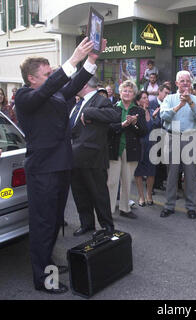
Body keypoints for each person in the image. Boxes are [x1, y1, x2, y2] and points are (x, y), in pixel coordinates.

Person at [15, 37, 103, 294]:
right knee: (42, 224)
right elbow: (53, 85)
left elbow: (72, 83)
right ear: (32, 78)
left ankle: (48, 263)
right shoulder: (24, 96)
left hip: (61, 165)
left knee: (54, 222)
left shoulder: (52, 95)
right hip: (42, 170)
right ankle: (43, 279)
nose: (52, 75)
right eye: (47, 73)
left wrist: (91, 60)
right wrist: (73, 58)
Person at [70, 77, 121, 237]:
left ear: (84, 84)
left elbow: (114, 115)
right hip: (74, 157)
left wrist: (90, 112)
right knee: (80, 193)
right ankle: (87, 224)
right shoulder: (77, 103)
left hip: (93, 157)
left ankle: (107, 227)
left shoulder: (100, 100)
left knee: (99, 194)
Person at [159, 70, 196, 219]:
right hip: (172, 136)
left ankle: (191, 207)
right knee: (172, 174)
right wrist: (180, 105)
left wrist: (190, 102)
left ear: (191, 84)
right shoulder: (170, 98)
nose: (185, 83)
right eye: (182, 81)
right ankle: (169, 205)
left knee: (190, 174)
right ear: (177, 83)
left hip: (190, 138)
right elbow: (164, 116)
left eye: (188, 81)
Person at [107, 80, 147, 219]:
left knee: (126, 180)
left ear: (134, 93)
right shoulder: (112, 108)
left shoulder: (139, 111)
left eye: (130, 91)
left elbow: (143, 132)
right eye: (125, 90)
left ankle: (125, 208)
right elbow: (108, 129)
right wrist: (122, 125)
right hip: (114, 149)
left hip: (131, 150)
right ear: (120, 92)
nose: (127, 93)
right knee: (111, 182)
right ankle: (109, 210)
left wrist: (135, 124)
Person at [134, 91, 161, 206]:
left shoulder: (152, 111)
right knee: (138, 172)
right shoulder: (135, 113)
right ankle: (141, 197)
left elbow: (158, 126)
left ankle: (149, 195)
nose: (147, 100)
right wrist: (143, 111)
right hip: (139, 145)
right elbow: (137, 127)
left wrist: (154, 117)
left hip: (151, 145)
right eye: (144, 98)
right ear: (138, 101)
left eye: (147, 98)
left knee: (151, 172)